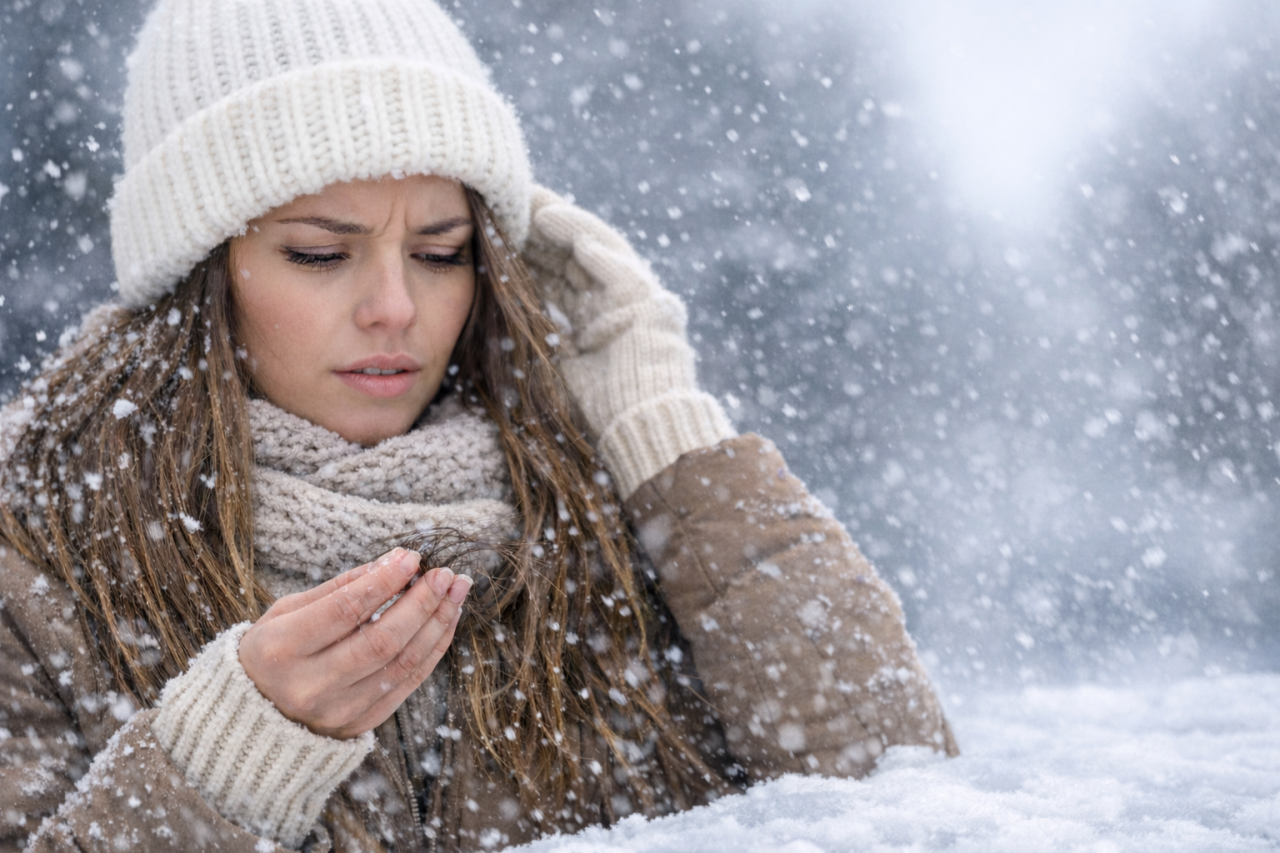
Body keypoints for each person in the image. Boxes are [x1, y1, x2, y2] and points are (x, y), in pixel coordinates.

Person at [0, 0, 958, 849]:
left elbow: (897, 803)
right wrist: (221, 769)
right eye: (320, 253)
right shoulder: (36, 553)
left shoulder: (599, 512)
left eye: (440, 251)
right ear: (198, 277)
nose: (394, 308)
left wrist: (663, 430)